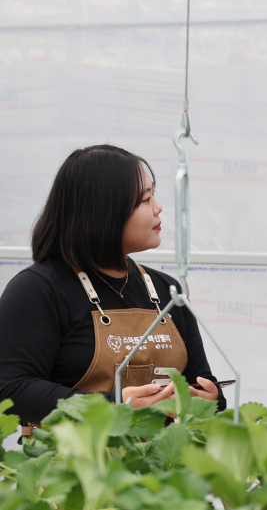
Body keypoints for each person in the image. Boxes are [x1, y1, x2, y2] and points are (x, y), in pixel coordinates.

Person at [0, 145, 225, 435]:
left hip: (166, 473)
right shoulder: (38, 289)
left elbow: (203, 381)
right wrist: (114, 406)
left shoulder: (166, 289)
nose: (158, 208)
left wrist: (210, 398)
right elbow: (11, 389)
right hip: (73, 471)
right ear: (103, 211)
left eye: (153, 195)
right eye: (145, 199)